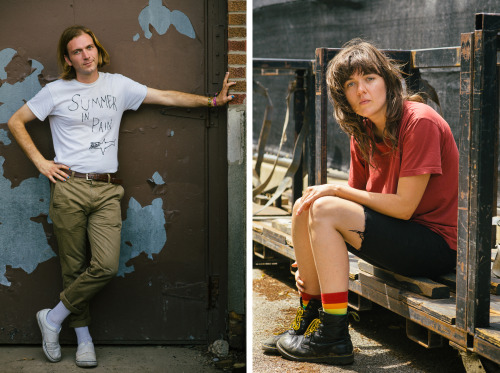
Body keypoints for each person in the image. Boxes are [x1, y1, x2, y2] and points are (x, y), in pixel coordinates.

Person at [7, 25, 235, 368]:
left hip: (107, 189)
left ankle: (52, 319)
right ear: (68, 60)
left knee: (105, 265)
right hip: (69, 187)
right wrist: (42, 163)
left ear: (97, 49)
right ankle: (84, 339)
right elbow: (15, 121)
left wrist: (213, 101)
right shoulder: (55, 91)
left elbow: (167, 97)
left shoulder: (118, 86)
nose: (86, 56)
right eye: (77, 52)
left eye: (89, 48)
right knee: (73, 267)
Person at [262, 39, 458, 365]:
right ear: (343, 97)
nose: (361, 90)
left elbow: (404, 207)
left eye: (369, 78)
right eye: (350, 84)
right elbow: (354, 212)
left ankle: (334, 335)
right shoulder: (363, 130)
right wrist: (310, 264)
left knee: (325, 203)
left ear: (388, 82)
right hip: (397, 236)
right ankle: (311, 312)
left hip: (435, 245)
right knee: (306, 204)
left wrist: (336, 190)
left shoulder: (418, 121)